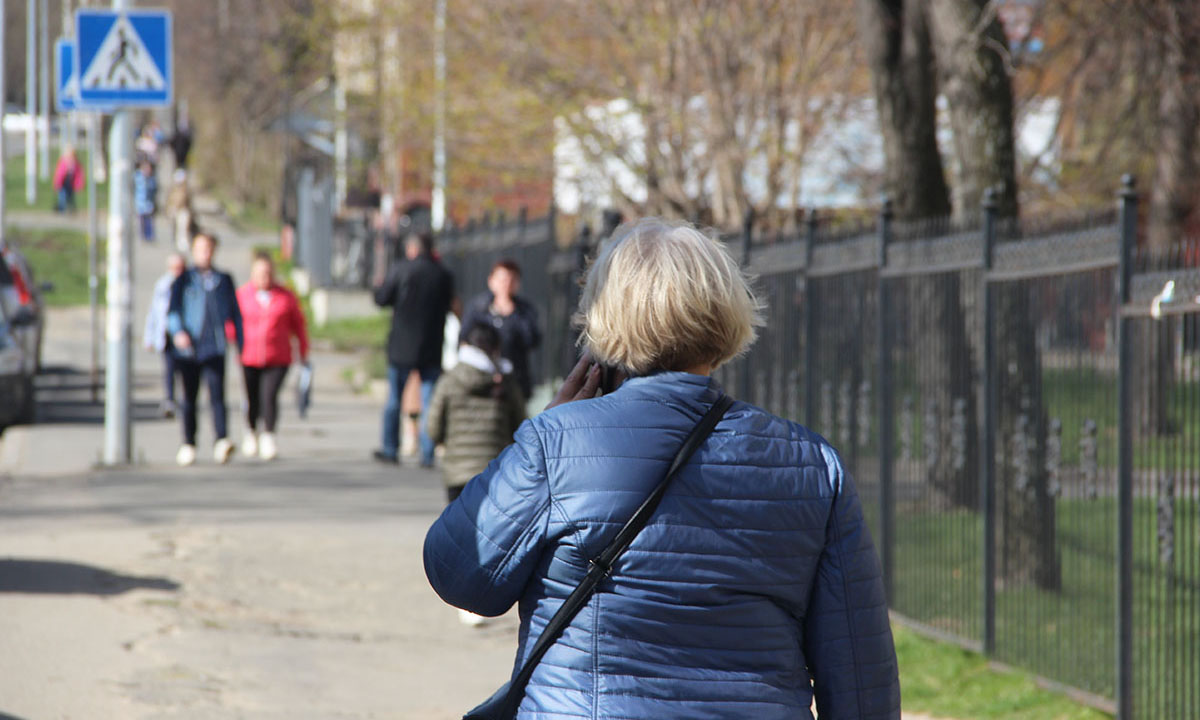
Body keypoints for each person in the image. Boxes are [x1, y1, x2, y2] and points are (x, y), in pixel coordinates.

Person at [423, 218, 899, 719]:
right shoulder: (812, 465)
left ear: (604, 321)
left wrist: (539, 436)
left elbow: (459, 574)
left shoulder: (557, 443)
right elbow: (860, 676)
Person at [372, 232, 455, 467]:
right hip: (431, 346)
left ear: (412, 249)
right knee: (429, 402)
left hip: (402, 346)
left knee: (394, 400)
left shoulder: (401, 270)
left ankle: (391, 448)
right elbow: (450, 303)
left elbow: (382, 299)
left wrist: (378, 285)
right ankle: (427, 453)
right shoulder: (443, 274)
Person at [167, 231, 243, 466]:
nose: (205, 254)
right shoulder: (184, 279)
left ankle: (221, 440)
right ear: (194, 251)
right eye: (201, 249)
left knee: (217, 395)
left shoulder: (223, 279)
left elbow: (235, 313)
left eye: (209, 249)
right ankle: (188, 443)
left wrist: (240, 342)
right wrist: (178, 332)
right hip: (189, 349)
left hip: (214, 346)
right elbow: (173, 311)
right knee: (189, 397)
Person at [236, 252, 309, 461]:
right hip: (249, 356)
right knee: (252, 397)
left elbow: (298, 325)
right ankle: (251, 431)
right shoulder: (242, 295)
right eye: (260, 273)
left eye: (267, 273)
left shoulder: (285, 296)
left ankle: (268, 435)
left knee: (269, 395)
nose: (264, 277)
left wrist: (303, 350)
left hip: (278, 357)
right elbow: (232, 323)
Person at [460, 259, 541, 400]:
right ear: (491, 281)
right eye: (502, 280)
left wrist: (513, 313)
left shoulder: (524, 310)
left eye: (511, 280)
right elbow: (464, 339)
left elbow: (532, 340)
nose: (506, 284)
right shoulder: (478, 308)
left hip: (515, 380)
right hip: (483, 381)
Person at [143, 252, 187, 418]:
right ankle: (169, 399)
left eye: (180, 268)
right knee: (169, 369)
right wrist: (149, 337)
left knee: (185, 371)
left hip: (184, 335)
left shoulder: (189, 284)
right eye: (174, 268)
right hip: (166, 334)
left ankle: (185, 400)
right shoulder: (163, 285)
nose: (177, 271)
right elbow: (154, 312)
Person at [52, 146, 85, 213]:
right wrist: (57, 184)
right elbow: (59, 174)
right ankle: (62, 209)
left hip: (71, 183)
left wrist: (79, 184)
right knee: (62, 197)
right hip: (63, 183)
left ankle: (71, 209)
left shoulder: (76, 164)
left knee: (70, 196)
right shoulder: (63, 163)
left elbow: (79, 174)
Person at [134, 161, 158, 243]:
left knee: (149, 221)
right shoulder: (138, 177)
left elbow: (154, 190)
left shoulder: (151, 179)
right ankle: (142, 236)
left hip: (149, 204)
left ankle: (149, 236)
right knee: (141, 221)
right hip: (140, 203)